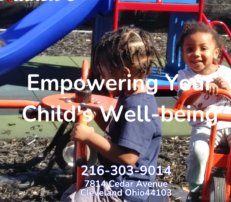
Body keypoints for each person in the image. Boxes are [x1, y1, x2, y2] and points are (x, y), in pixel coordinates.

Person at [61, 25, 165, 202]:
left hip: (125, 190)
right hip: (113, 178)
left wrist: (89, 137)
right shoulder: (129, 97)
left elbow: (128, 157)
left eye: (104, 75)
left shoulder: (138, 108)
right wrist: (99, 115)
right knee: (69, 194)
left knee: (74, 200)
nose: (102, 80)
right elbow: (118, 132)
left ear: (125, 74)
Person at [176, 21, 231, 202]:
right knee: (199, 152)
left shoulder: (227, 73)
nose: (196, 54)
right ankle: (195, 189)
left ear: (216, 52)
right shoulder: (185, 75)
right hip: (204, 126)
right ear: (182, 53)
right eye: (189, 49)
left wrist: (228, 92)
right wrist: (202, 89)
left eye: (203, 48)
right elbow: (186, 99)